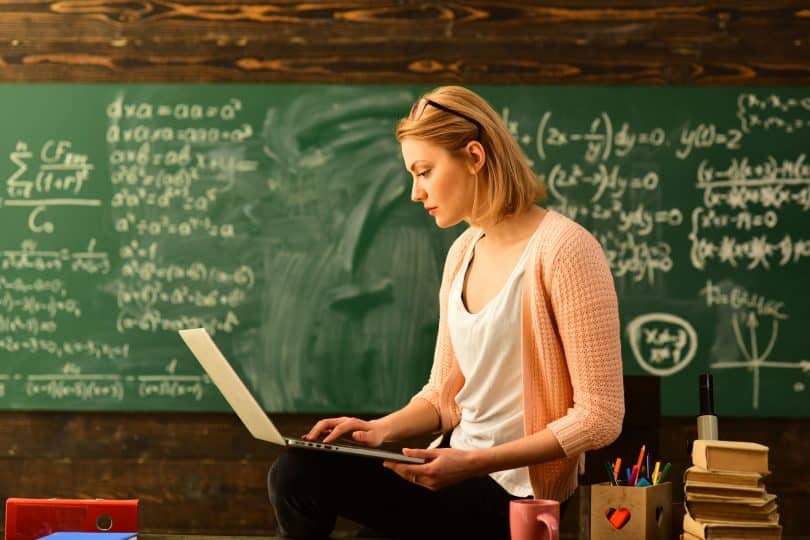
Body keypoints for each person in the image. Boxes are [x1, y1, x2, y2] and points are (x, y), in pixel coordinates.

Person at [268, 86, 624, 540]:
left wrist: (473, 462)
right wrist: (379, 430)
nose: (416, 193)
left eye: (424, 172)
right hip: (452, 466)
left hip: (512, 495)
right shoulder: (463, 251)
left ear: (474, 156)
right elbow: (443, 395)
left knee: (300, 475)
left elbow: (600, 416)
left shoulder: (565, 250)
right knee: (299, 470)